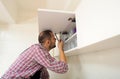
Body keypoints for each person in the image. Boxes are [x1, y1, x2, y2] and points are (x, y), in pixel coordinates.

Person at [1, 30, 68, 79]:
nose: (56, 40)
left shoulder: (40, 51)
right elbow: (63, 68)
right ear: (48, 42)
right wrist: (61, 49)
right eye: (54, 38)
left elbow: (44, 73)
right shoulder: (38, 51)